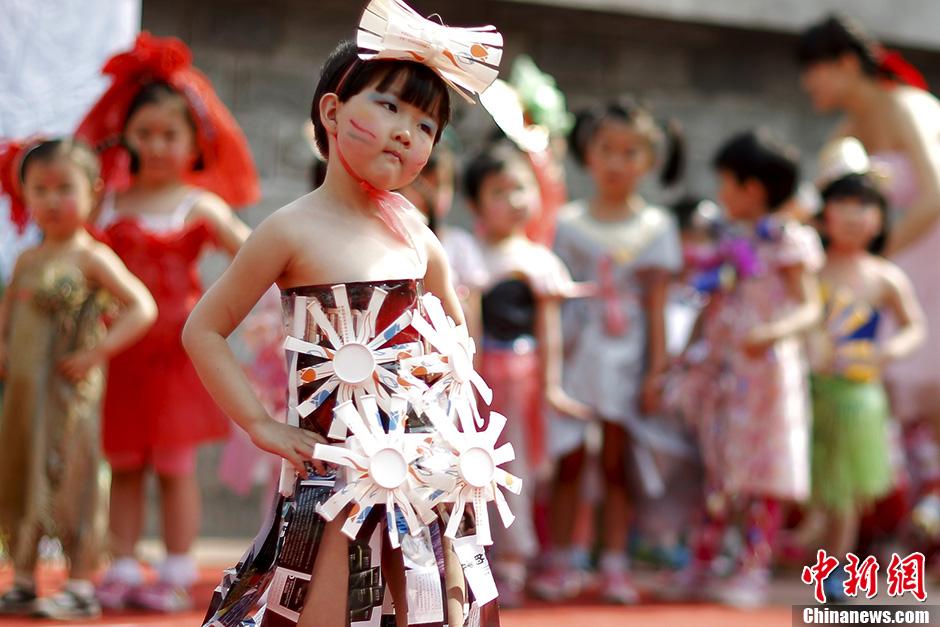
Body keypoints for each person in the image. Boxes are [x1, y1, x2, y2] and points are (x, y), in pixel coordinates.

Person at [183, 1, 507, 624]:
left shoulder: (416, 231)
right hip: (335, 484)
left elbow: (455, 335)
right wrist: (261, 424)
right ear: (332, 112)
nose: (407, 131)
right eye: (388, 106)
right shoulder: (289, 229)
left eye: (427, 125)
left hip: (423, 482)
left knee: (430, 609)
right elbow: (204, 329)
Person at [75, 32, 258, 612]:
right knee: (124, 463)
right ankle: (122, 563)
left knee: (176, 468)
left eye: (170, 134)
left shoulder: (200, 206)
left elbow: (254, 256)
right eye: (145, 132)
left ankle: (176, 570)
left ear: (194, 140)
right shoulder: (106, 204)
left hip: (181, 354)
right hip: (120, 351)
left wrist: (241, 317)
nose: (157, 145)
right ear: (125, 134)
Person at [533, 99, 684, 604]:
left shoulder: (657, 227)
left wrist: (656, 372)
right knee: (569, 457)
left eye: (631, 151)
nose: (617, 162)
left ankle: (615, 561)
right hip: (580, 351)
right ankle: (560, 559)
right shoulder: (569, 223)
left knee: (620, 460)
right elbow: (552, 303)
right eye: (607, 150)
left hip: (629, 357)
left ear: (650, 159)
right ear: (588, 155)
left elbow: (659, 306)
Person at [0, 138, 156, 619]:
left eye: (63, 188)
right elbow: (8, 317)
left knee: (75, 476)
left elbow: (142, 307)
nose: (50, 200)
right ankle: (24, 576)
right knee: (22, 469)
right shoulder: (28, 260)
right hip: (24, 397)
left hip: (71, 398)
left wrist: (97, 352)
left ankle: (82, 580)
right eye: (39, 188)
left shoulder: (93, 256)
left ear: (92, 191)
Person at [674, 130, 823, 606]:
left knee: (762, 474)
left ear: (753, 188)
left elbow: (810, 306)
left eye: (727, 184)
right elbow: (709, 300)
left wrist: (775, 333)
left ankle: (752, 567)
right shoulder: (729, 240)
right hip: (725, 371)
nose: (721, 195)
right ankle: (703, 561)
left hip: (767, 376)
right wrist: (689, 349)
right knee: (719, 469)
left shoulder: (789, 241)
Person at [798, 15, 940, 509]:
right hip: (896, 265)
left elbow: (935, 191)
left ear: (843, 63)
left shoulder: (910, 107)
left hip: (926, 264)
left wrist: (872, 258)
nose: (805, 82)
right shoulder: (847, 133)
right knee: (902, 402)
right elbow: (814, 204)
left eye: (811, 68)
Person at [463, 143, 590, 605]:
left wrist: (553, 386)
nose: (514, 199)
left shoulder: (541, 260)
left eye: (521, 187)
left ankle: (514, 560)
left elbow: (550, 329)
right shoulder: (465, 252)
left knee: (516, 466)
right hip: (476, 376)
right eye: (499, 190)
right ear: (475, 203)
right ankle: (474, 559)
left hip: (523, 374)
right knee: (471, 465)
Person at [807, 138, 925, 601]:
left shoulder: (884, 276)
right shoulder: (810, 268)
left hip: (857, 394)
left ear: (880, 217)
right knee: (813, 482)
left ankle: (834, 568)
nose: (854, 216)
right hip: (807, 389)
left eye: (865, 205)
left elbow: (914, 325)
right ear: (824, 213)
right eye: (843, 203)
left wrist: (891, 350)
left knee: (844, 486)